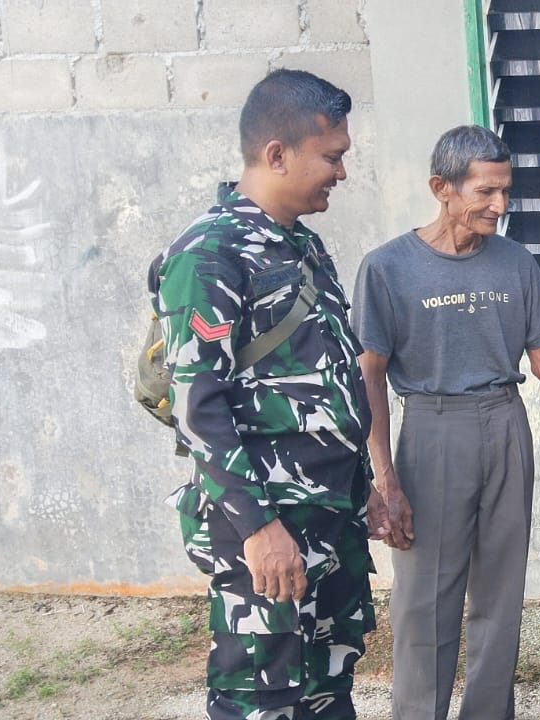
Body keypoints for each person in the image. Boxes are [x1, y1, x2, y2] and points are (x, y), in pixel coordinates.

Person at [351, 124, 540, 720]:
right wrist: (385, 477)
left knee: (501, 592)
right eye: (486, 192)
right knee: (425, 598)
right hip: (432, 431)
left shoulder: (515, 263)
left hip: (507, 427)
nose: (500, 205)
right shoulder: (388, 268)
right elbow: (370, 378)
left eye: (506, 191)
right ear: (443, 187)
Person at [149, 69, 388, 720]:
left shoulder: (304, 249)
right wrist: (258, 530)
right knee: (262, 698)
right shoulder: (209, 254)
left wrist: (362, 481)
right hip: (268, 526)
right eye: (332, 157)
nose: (341, 172)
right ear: (277, 154)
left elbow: (330, 379)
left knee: (326, 688)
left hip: (327, 521)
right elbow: (199, 407)